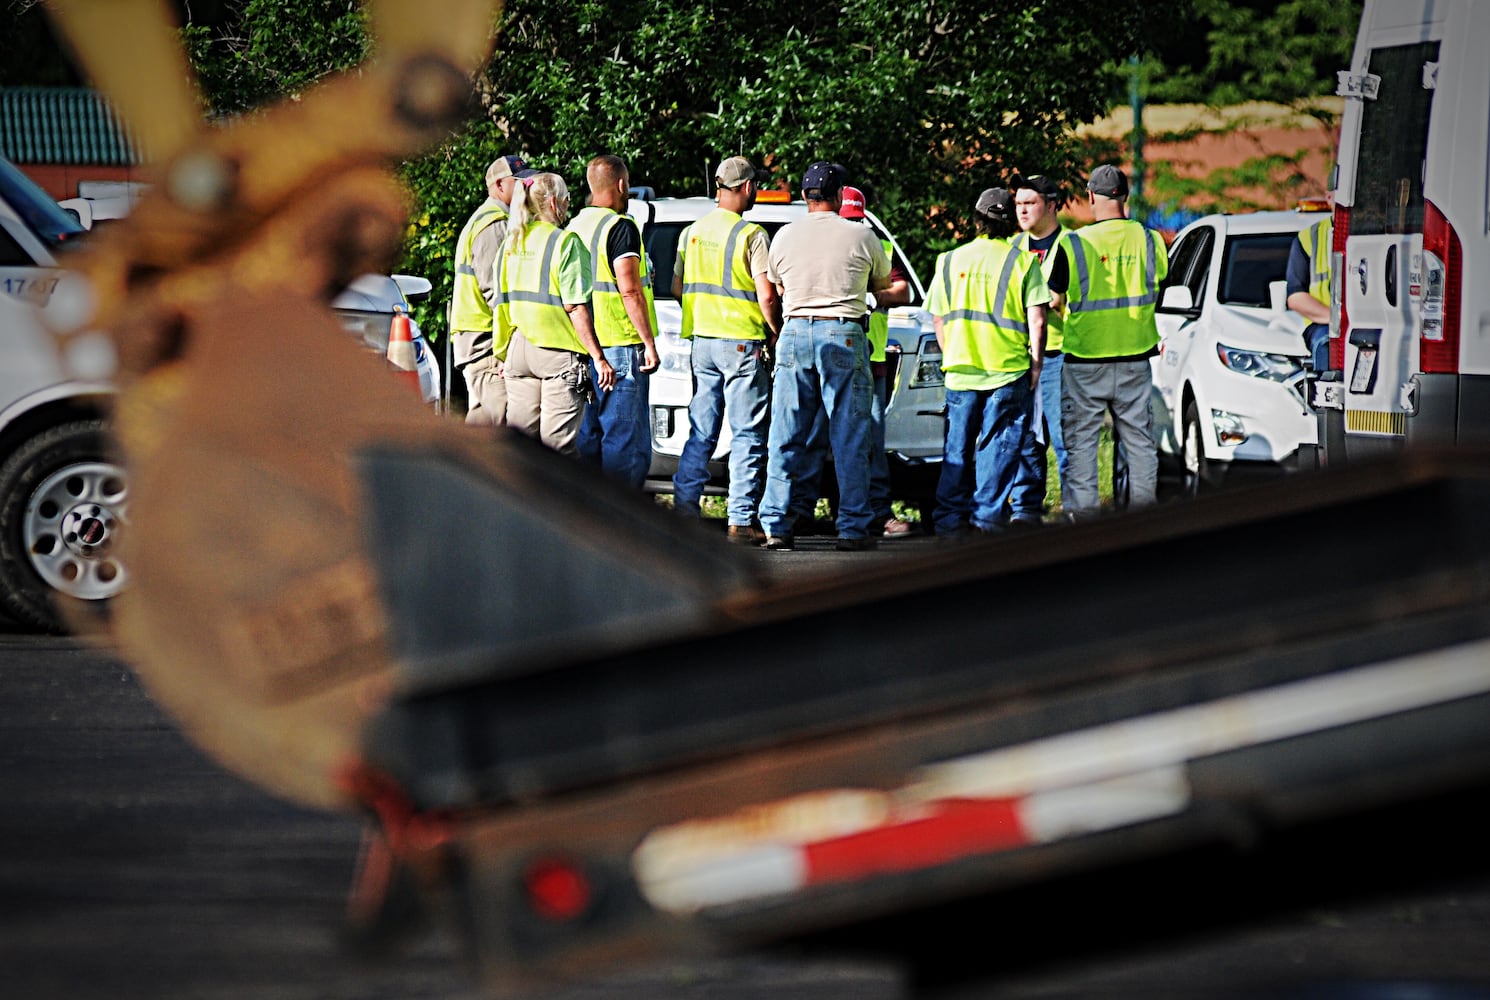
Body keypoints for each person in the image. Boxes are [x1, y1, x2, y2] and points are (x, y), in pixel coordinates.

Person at [757, 161, 892, 551]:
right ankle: (852, 528)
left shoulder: (783, 236)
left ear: (804, 196)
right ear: (838, 196)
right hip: (844, 330)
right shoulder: (860, 235)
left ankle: (777, 526)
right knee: (850, 434)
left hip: (795, 329)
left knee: (785, 433)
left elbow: (776, 287)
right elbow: (881, 284)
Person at [671, 155, 783, 543]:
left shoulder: (692, 232)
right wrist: (776, 330)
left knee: (701, 431)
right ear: (748, 187)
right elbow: (767, 296)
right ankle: (739, 520)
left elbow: (676, 288)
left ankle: (684, 511)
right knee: (747, 434)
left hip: (702, 342)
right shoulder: (752, 235)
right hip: (741, 344)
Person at [927, 188, 1049, 537]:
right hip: (1007, 370)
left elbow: (939, 318)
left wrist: (953, 352)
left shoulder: (949, 260)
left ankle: (950, 523)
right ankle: (986, 522)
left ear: (977, 220)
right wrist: (1036, 365)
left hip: (961, 371)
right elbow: (1037, 320)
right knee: (998, 449)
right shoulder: (1024, 263)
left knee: (956, 450)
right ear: (1010, 223)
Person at [1057, 164, 1168, 520]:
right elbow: (1162, 285)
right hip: (1136, 357)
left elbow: (1052, 299)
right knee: (1140, 443)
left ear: (1090, 197)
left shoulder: (1073, 243)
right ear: (1126, 196)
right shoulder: (1151, 240)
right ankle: (1143, 521)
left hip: (1085, 359)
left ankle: (1086, 527)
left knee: (1083, 445)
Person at [494, 171, 615, 455]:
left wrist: (502, 353)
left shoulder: (511, 243)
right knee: (557, 451)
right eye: (565, 198)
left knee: (521, 451)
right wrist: (598, 357)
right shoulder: (564, 242)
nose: (569, 203)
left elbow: (501, 304)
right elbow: (575, 306)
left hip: (519, 350)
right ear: (552, 202)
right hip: (558, 354)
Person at [568, 154, 661, 487]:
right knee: (626, 441)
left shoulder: (573, 225)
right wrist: (648, 343)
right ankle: (623, 523)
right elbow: (630, 290)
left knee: (589, 436)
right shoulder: (620, 227)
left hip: (584, 346)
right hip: (620, 346)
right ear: (622, 186)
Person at [1008, 173, 1070, 525]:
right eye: (1018, 204)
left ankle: (1074, 507)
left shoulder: (1072, 245)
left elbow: (1068, 300)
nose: (1022, 210)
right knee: (1026, 437)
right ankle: (1025, 509)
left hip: (1058, 354)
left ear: (1051, 205)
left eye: (1029, 203)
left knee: (1062, 436)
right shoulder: (1012, 248)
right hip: (1020, 353)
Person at [449, 154, 524, 426]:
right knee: (501, 422)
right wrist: (512, 340)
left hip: (476, 338)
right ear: (501, 185)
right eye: (520, 183)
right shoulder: (494, 225)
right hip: (486, 342)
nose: (527, 188)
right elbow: (496, 292)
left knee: (483, 424)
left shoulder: (484, 220)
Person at [1286, 198, 1333, 372]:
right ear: (1329, 196)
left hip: (1374, 325)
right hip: (1324, 325)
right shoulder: (1311, 236)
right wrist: (1340, 319)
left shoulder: (1376, 234)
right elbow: (1296, 298)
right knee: (1327, 346)